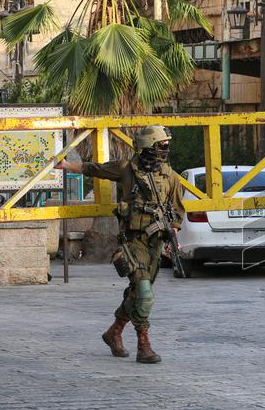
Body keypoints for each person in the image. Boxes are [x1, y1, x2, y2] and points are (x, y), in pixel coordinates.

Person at [58, 126, 183, 363]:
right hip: (133, 241)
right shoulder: (127, 169)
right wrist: (66, 166)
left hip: (155, 243)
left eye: (167, 145)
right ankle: (143, 345)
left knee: (138, 292)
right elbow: (95, 169)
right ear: (149, 146)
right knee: (145, 294)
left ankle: (114, 332)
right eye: (161, 145)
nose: (166, 149)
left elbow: (177, 209)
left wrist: (173, 231)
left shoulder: (170, 176)